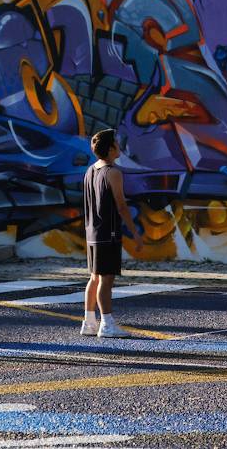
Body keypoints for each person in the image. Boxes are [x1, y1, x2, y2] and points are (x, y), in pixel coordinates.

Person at [81, 129, 143, 338]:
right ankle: (106, 323)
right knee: (106, 280)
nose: (120, 147)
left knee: (94, 278)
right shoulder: (113, 172)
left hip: (92, 232)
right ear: (110, 149)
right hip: (108, 232)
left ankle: (89, 321)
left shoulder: (90, 170)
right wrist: (135, 232)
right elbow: (122, 206)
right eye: (116, 144)